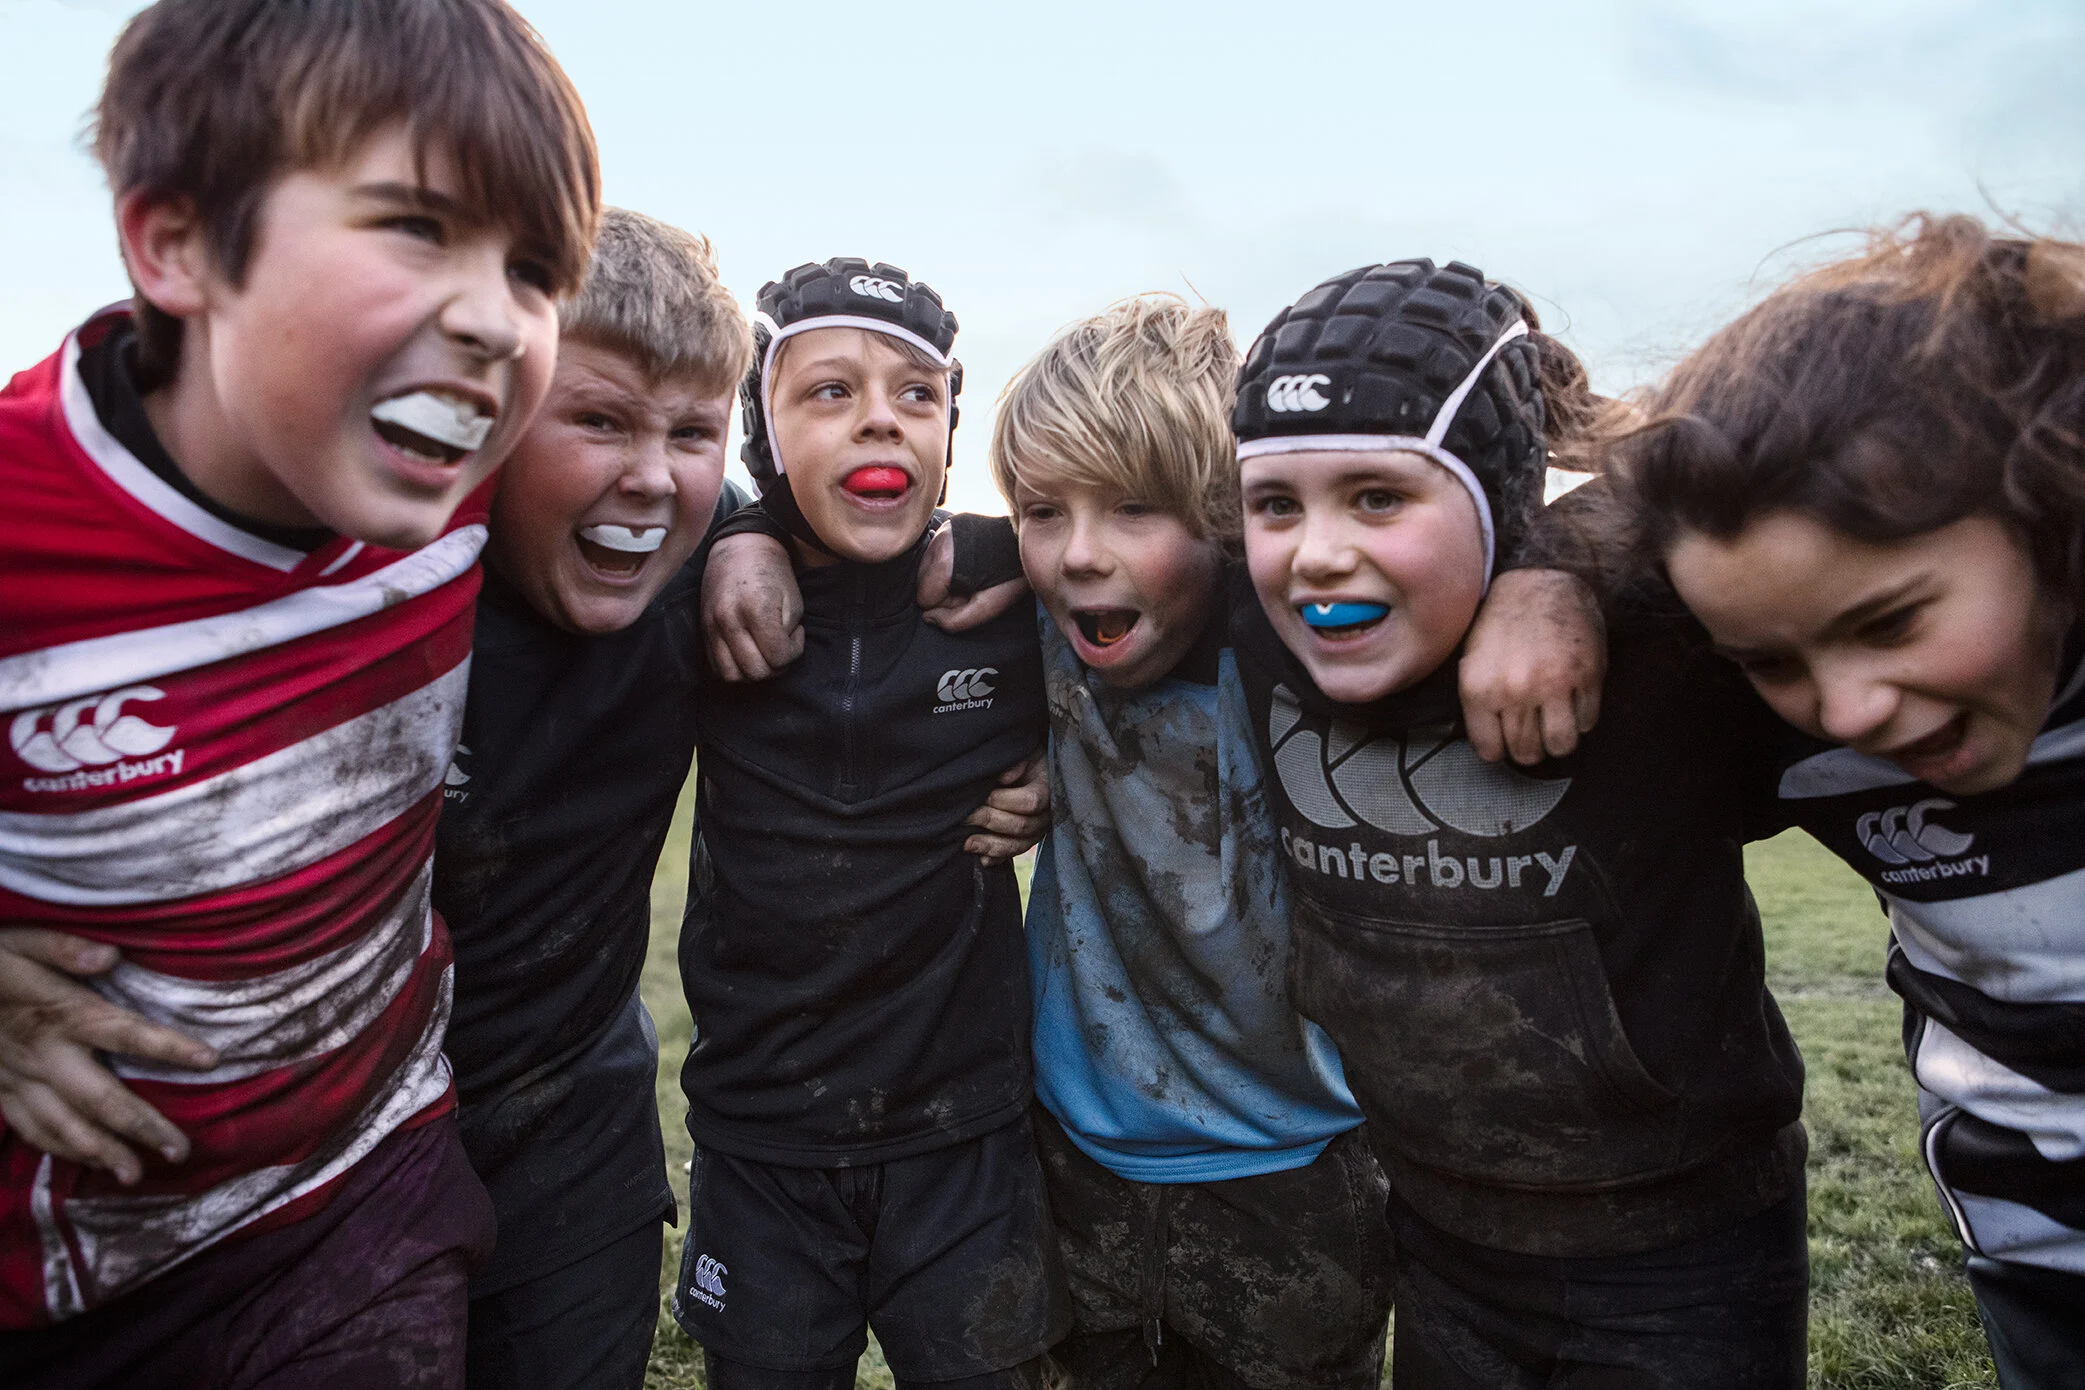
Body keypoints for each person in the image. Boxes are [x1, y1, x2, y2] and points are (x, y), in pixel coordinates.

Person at [0, 0, 598, 1384]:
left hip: (360, 1202)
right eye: (416, 226)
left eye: (532, 269)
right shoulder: (25, 524)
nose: (492, 318)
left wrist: (751, 543)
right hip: (57, 1278)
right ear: (175, 242)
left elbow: (664, 466)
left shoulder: (467, 483)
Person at [1227, 259, 1810, 1389]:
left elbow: (1748, 447)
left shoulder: (1659, 645)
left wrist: (1557, 564)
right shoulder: (1255, 631)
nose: (1316, 552)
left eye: (1379, 496)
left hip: (1684, 1261)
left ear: (1499, 498)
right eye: (1275, 505)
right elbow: (1074, 536)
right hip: (1439, 1243)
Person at [1598, 214, 2085, 1390]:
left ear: (2049, 505)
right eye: (1770, 659)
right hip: (2039, 1260)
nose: (1850, 708)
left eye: (1891, 621)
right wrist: (1546, 591)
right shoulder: (1782, 728)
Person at [668, 258, 1068, 1390]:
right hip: (760, 1137)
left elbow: (1171, 597)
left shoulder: (1009, 600)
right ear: (764, 427)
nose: (880, 418)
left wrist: (1066, 769)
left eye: (916, 394)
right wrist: (739, 536)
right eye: (830, 391)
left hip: (966, 1138)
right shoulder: (705, 605)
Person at [989, 295, 1393, 1388]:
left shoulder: (1318, 663)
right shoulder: (1033, 626)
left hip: (1299, 1171)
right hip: (1076, 1161)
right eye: (1042, 510)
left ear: (1225, 514)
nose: (1079, 554)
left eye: (1133, 507)